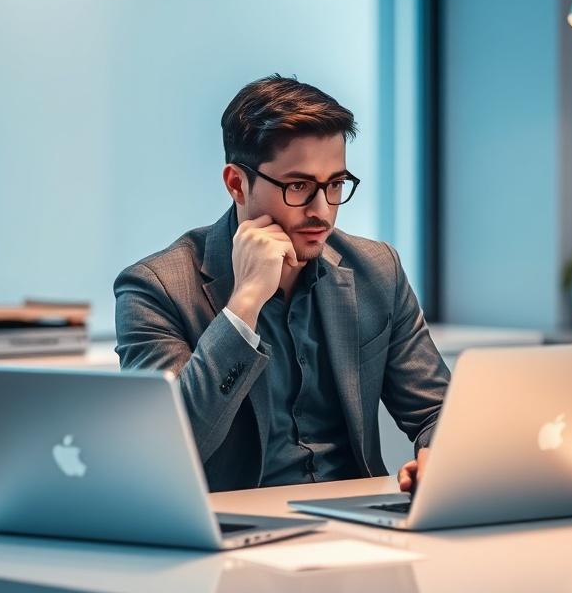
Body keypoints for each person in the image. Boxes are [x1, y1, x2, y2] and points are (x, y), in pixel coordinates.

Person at [114, 75, 449, 492]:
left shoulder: (376, 269)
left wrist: (439, 453)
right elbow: (167, 450)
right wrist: (244, 305)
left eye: (336, 185)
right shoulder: (155, 288)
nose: (322, 211)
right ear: (237, 183)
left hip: (357, 522)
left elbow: (439, 411)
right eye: (299, 186)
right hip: (236, 527)